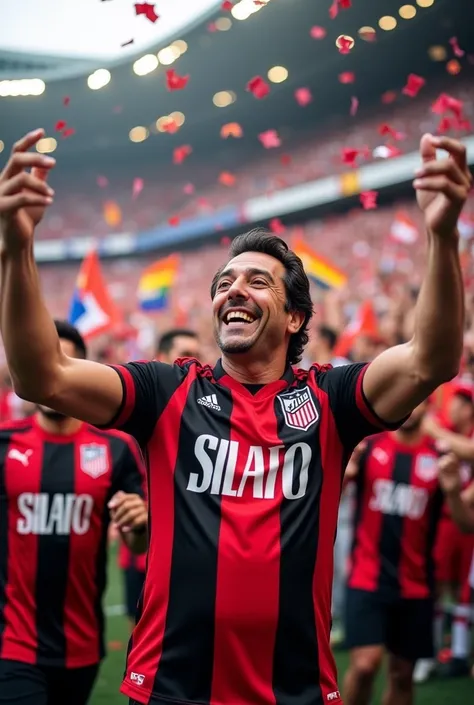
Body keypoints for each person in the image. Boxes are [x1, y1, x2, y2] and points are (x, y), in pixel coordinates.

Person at [0, 128, 469, 705]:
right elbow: (39, 376)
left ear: (296, 318)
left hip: (292, 687)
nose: (232, 291)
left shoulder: (332, 400)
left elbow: (431, 359)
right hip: (170, 684)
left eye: (256, 281)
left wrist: (442, 236)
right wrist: (15, 248)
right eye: (224, 283)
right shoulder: (165, 390)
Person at [0, 320, 148, 705]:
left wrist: (139, 521)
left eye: (62, 362)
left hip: (82, 644)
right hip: (12, 641)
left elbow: (138, 538)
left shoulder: (115, 450)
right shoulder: (5, 445)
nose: (49, 372)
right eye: (40, 360)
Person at [342, 401, 444, 705]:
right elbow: (333, 493)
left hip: (416, 584)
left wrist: (452, 487)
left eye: (421, 401)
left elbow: (462, 519)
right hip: (366, 576)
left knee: (402, 674)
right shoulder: (369, 447)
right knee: (364, 665)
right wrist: (347, 473)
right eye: (408, 399)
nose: (412, 407)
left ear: (429, 407)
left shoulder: (439, 458)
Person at [119, 327, 201, 632]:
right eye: (185, 355)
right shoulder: (135, 425)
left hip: (192, 557)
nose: (194, 363)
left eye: (198, 355)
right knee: (140, 639)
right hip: (142, 557)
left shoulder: (212, 422)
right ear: (162, 360)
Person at [421, 382, 474, 678]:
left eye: (461, 403)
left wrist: (435, 432)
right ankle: (431, 652)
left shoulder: (446, 432)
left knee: (465, 590)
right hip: (442, 520)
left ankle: (460, 653)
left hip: (467, 521)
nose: (453, 407)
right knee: (439, 586)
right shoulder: (443, 428)